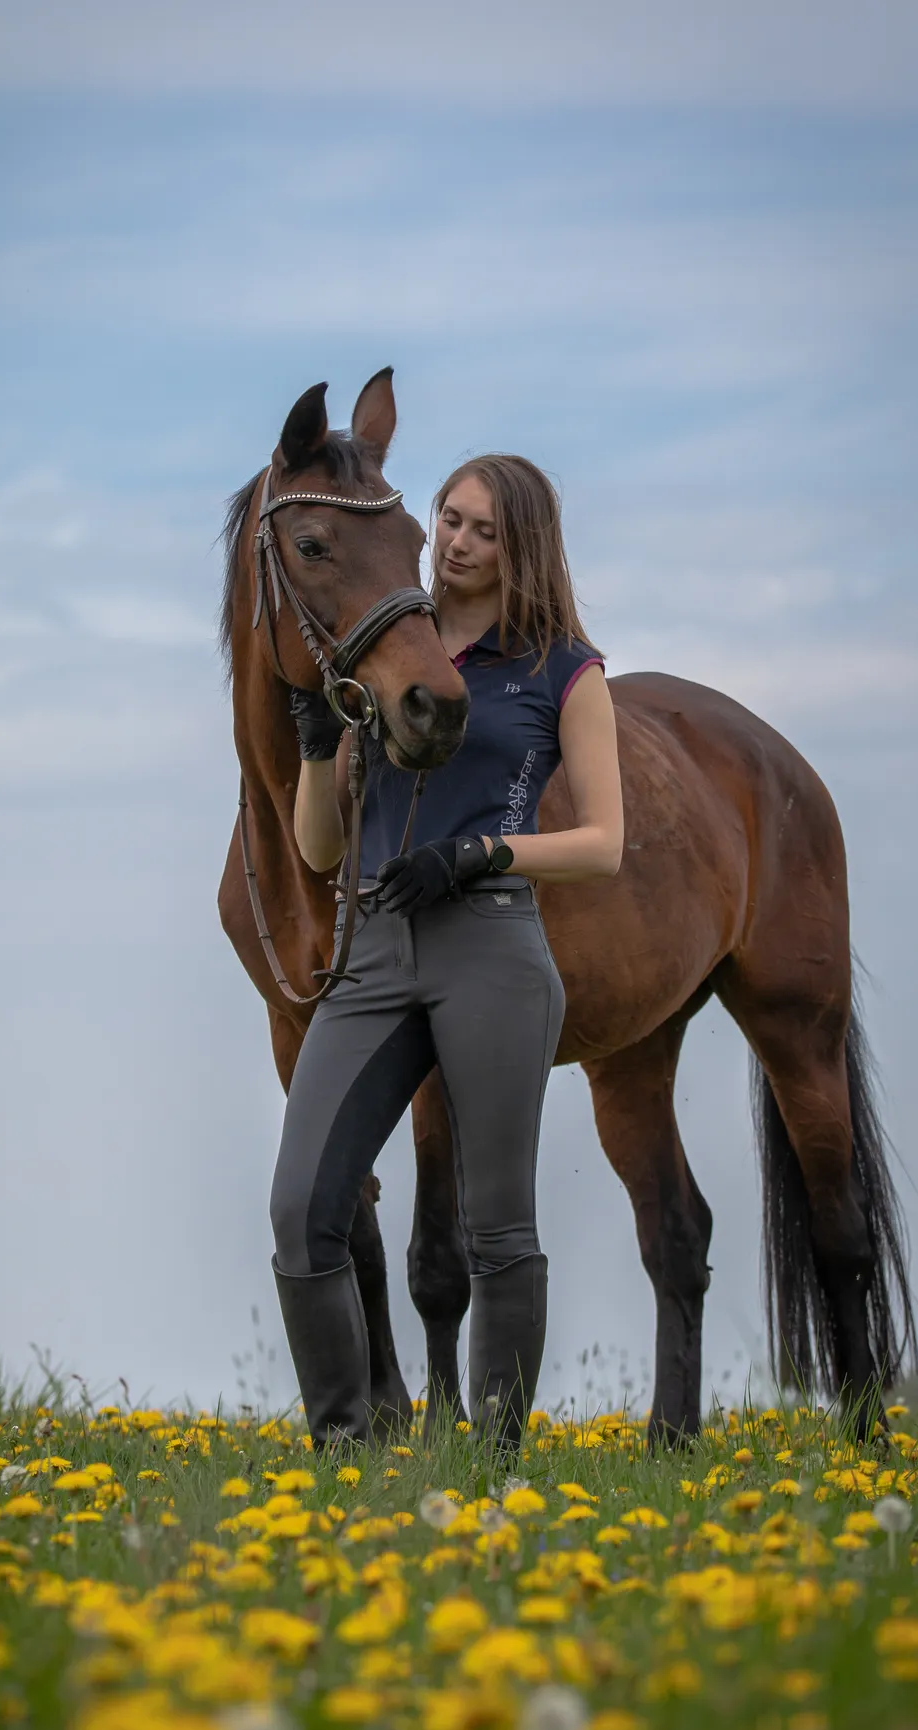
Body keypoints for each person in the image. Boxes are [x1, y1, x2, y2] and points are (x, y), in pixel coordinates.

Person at [270, 454, 625, 1450]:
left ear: (524, 548)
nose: (460, 543)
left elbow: (605, 844)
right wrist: (312, 746)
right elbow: (318, 848)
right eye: (450, 521)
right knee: (303, 1210)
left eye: (484, 532)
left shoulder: (564, 669)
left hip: (491, 948)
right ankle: (344, 1449)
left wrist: (483, 852)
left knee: (499, 1225)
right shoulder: (388, 645)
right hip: (376, 948)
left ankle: (497, 1460)